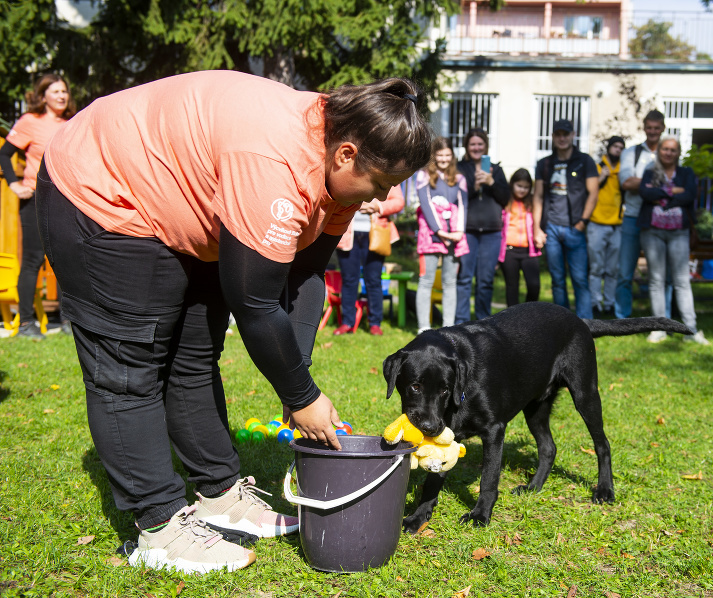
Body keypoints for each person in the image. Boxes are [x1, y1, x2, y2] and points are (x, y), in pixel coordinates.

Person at [37, 71, 432, 573]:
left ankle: (219, 494)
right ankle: (157, 528)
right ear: (346, 154)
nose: (378, 199)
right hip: (103, 188)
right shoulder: (275, 160)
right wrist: (301, 398)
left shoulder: (336, 179)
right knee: (128, 370)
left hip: (187, 205)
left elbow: (305, 274)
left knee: (194, 355)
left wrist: (298, 376)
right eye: (379, 184)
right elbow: (257, 303)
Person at [0, 74, 76, 339]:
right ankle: (26, 324)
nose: (61, 96)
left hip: (65, 201)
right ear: (42, 95)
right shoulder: (29, 122)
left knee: (67, 260)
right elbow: (5, 154)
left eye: (64, 91)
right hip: (35, 199)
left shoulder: (72, 124)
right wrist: (13, 184)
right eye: (55, 91)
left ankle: (69, 320)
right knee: (33, 260)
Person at [638, 137, 710, 345]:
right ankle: (658, 329)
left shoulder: (686, 173)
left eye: (673, 150)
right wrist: (673, 191)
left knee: (681, 280)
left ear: (678, 153)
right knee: (656, 280)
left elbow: (689, 195)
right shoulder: (650, 172)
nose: (669, 153)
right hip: (652, 231)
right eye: (665, 149)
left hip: (679, 231)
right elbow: (645, 192)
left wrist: (660, 194)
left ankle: (690, 330)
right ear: (659, 151)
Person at [533, 119, 598, 319]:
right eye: (558, 134)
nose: (562, 138)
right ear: (553, 136)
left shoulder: (585, 161)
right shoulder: (544, 163)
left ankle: (586, 324)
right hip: (551, 228)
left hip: (574, 227)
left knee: (579, 279)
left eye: (566, 134)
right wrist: (537, 228)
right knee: (557, 280)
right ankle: (563, 324)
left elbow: (593, 193)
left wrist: (582, 223)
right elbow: (538, 196)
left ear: (573, 135)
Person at [615, 110, 669, 320]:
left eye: (657, 128)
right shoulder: (631, 153)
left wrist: (643, 183)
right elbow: (626, 182)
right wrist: (658, 184)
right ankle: (622, 318)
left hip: (660, 218)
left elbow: (678, 184)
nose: (653, 131)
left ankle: (664, 319)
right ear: (644, 127)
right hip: (633, 217)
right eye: (649, 127)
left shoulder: (668, 151)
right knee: (625, 273)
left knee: (661, 275)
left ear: (663, 128)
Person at [333, 185, 405, 336]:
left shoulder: (388, 167)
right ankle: (347, 322)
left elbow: (399, 201)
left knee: (373, 280)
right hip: (347, 233)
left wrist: (377, 206)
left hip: (376, 235)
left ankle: (375, 323)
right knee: (349, 280)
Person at [455, 128, 510, 323]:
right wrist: (475, 187)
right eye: (472, 144)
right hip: (467, 231)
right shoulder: (460, 168)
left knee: (485, 281)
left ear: (486, 145)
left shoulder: (496, 169)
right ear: (466, 146)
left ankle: (483, 322)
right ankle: (461, 321)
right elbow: (455, 197)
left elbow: (505, 199)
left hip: (491, 232)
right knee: (464, 279)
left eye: (480, 144)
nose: (476, 147)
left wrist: (492, 182)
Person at [415, 137, 468, 333]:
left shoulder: (460, 179)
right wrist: (440, 232)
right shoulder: (423, 176)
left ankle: (448, 325)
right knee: (426, 280)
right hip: (431, 236)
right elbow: (426, 204)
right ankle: (424, 327)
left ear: (452, 156)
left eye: (447, 155)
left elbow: (463, 206)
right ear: (434, 156)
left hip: (454, 237)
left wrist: (458, 232)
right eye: (440, 155)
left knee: (449, 281)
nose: (444, 159)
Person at [587, 136, 625, 316]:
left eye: (621, 147)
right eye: (615, 146)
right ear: (608, 148)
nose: (618, 150)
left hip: (617, 225)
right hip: (596, 224)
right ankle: (595, 303)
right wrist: (602, 178)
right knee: (596, 268)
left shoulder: (623, 170)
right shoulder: (597, 168)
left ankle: (609, 304)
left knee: (613, 269)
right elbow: (589, 190)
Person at [499, 169, 541, 306]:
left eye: (526, 187)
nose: (522, 190)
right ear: (512, 184)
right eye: (519, 186)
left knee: (534, 285)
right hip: (509, 250)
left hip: (529, 250)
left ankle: (529, 314)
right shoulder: (505, 201)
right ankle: (512, 321)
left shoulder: (533, 202)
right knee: (512, 287)